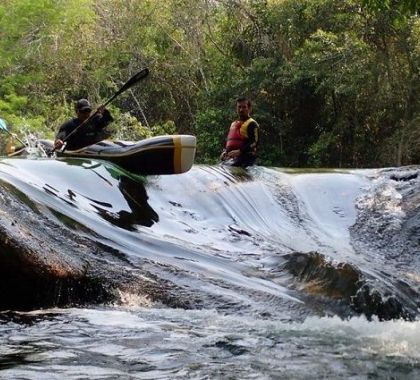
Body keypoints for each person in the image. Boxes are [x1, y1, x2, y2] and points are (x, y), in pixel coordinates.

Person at [220, 97, 259, 167]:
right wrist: (225, 152)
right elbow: (229, 141)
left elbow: (254, 142)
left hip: (246, 158)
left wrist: (240, 151)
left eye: (244, 107)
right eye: (239, 107)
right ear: (236, 108)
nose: (241, 109)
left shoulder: (252, 124)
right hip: (232, 159)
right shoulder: (233, 124)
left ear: (249, 109)